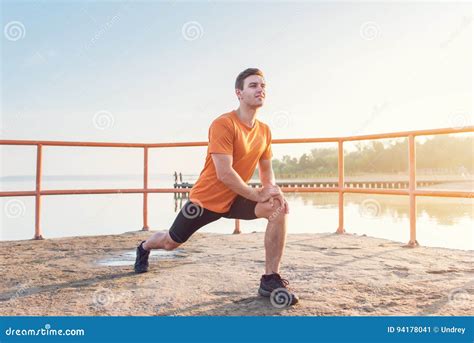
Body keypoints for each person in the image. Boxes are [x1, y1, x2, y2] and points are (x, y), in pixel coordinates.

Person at [134, 68, 298, 305]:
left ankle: (270, 279)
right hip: (206, 200)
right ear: (238, 93)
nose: (260, 89)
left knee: (277, 208)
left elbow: (265, 170)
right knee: (171, 242)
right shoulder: (223, 124)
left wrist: (271, 190)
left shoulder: (264, 131)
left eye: (263, 86)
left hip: (237, 198)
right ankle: (144, 246)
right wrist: (255, 193)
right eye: (253, 85)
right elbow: (224, 173)